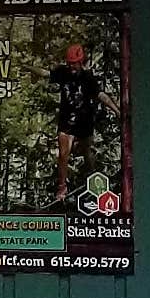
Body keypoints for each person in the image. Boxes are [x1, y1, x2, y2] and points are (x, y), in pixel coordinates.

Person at [45, 38, 111, 210]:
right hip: (67, 119)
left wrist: (116, 109)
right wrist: (26, 67)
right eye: (69, 63)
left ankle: (93, 178)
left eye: (74, 64)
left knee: (86, 151)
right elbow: (47, 74)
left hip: (84, 119)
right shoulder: (63, 72)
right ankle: (62, 187)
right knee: (63, 153)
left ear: (81, 62)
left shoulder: (88, 78)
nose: (71, 67)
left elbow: (101, 95)